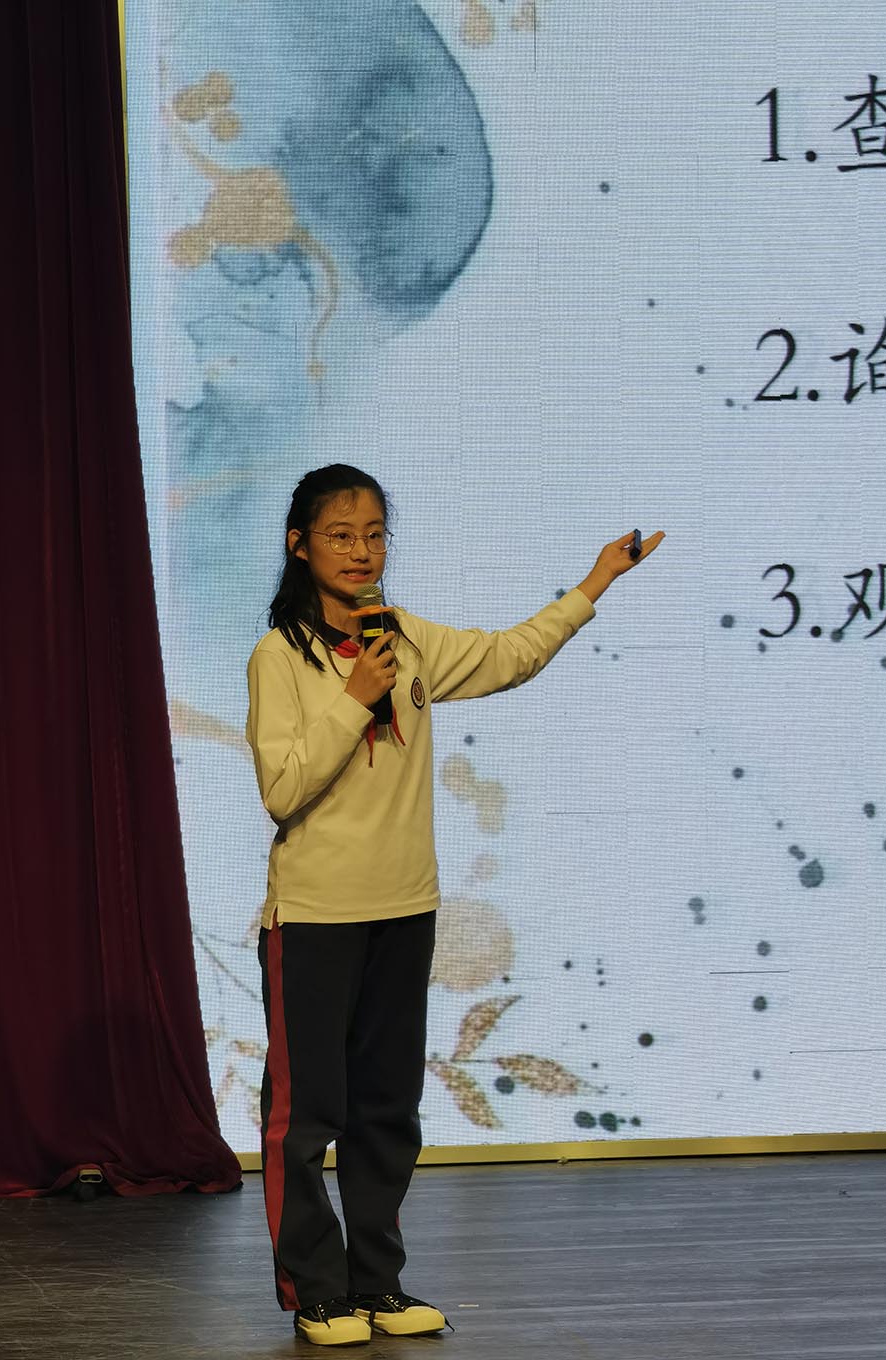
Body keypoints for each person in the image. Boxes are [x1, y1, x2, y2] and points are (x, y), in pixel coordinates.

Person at [245, 463, 663, 1346]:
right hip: (316, 916)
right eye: (341, 535)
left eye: (374, 534)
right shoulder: (280, 657)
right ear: (299, 545)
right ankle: (316, 1290)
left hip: (405, 908)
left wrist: (595, 582)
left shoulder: (406, 638)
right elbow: (282, 790)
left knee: (387, 1110)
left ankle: (378, 1283)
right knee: (304, 1117)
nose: (361, 551)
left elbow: (510, 657)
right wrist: (353, 702)